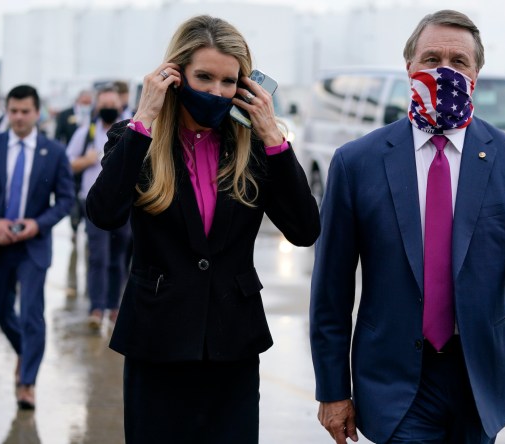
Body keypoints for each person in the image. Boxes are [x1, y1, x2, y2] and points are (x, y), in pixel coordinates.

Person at [309, 10, 505, 444]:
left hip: (480, 378)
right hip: (395, 380)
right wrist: (333, 389)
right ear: (409, 67)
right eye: (432, 59)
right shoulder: (356, 163)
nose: (445, 71)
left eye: (459, 61)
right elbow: (331, 291)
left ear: (476, 74)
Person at [85, 15, 320, 444]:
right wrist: (144, 117)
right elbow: (103, 214)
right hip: (157, 340)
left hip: (233, 344)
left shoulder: (253, 147)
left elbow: (305, 229)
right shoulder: (137, 138)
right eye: (204, 77)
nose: (216, 92)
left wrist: (273, 138)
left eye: (228, 82)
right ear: (175, 75)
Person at [0, 84, 73, 410]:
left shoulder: (53, 152)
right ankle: (24, 351)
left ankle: (27, 383)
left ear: (37, 113)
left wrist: (38, 224)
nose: (19, 117)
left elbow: (66, 199)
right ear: (7, 111)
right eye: (13, 111)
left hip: (33, 246)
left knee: (31, 313)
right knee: (0, 307)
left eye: (25, 111)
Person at [66, 86, 133, 328]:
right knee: (98, 258)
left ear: (120, 107)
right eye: (104, 104)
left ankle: (114, 307)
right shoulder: (85, 133)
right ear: (97, 107)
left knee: (118, 259)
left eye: (112, 105)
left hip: (124, 206)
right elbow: (67, 163)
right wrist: (86, 160)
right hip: (92, 204)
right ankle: (96, 308)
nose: (108, 109)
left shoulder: (131, 132)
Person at [55, 90, 94, 240]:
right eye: (84, 102)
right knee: (72, 195)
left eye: (88, 102)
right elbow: (58, 137)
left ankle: (87, 226)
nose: (86, 105)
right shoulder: (65, 114)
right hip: (71, 161)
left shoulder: (94, 115)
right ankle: (74, 225)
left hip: (89, 162)